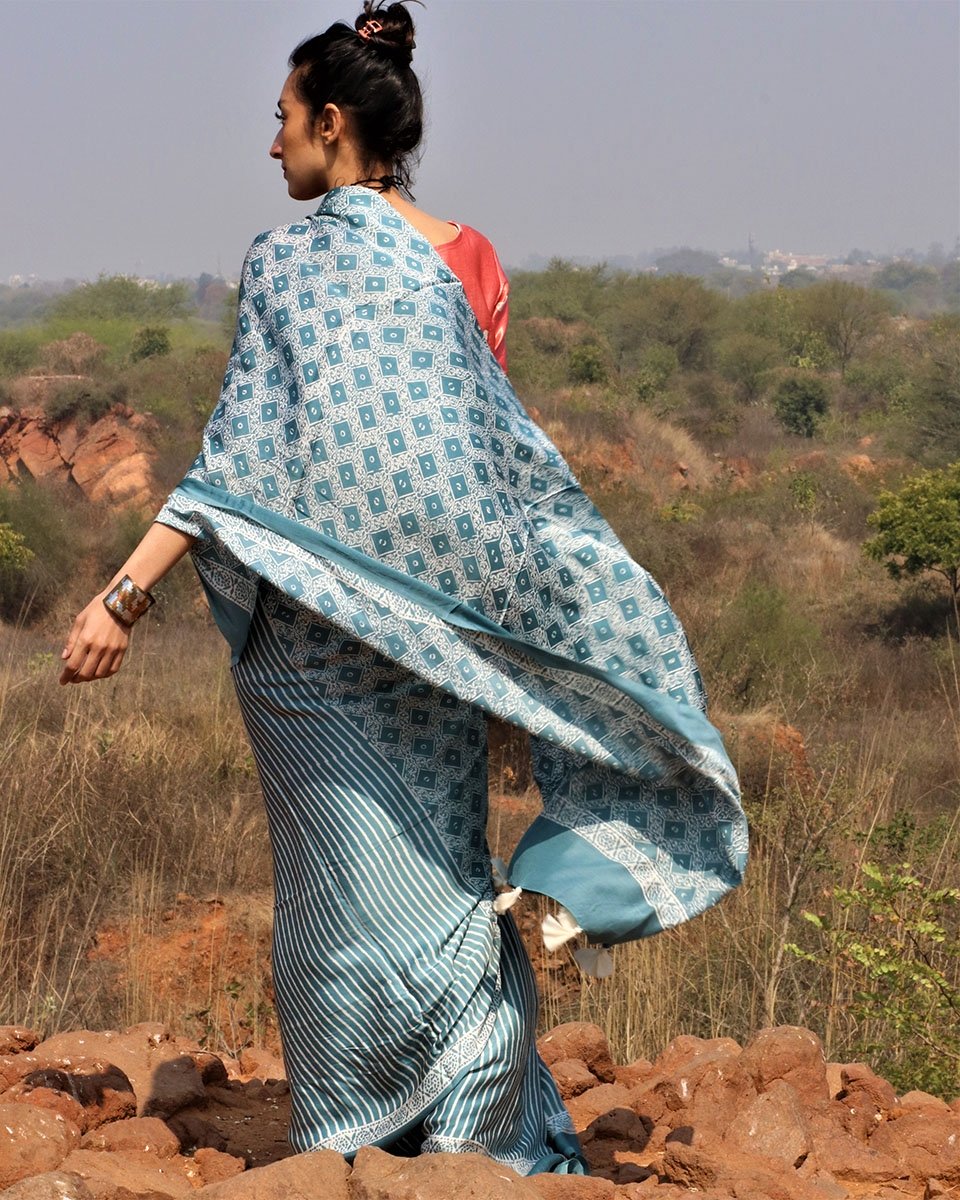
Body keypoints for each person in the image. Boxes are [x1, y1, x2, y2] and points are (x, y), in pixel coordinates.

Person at [60, 1, 747, 1175]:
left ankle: (358, 1140)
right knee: (426, 878)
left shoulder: (285, 263)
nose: (271, 142)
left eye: (282, 118)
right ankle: (466, 1136)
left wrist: (121, 598)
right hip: (433, 641)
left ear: (332, 122)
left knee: (349, 893)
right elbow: (476, 471)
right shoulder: (461, 258)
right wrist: (509, 632)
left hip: (327, 650)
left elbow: (238, 470)